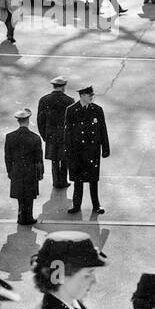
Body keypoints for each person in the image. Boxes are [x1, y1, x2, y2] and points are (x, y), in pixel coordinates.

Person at [63, 84, 110, 215]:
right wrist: (67, 150)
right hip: (77, 151)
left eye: (92, 95)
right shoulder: (71, 110)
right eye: (90, 95)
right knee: (78, 180)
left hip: (92, 150)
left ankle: (96, 205)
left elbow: (103, 130)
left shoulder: (97, 110)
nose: (92, 97)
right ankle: (76, 205)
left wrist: (105, 148)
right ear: (82, 96)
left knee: (93, 180)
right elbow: (67, 132)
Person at [3, 108, 44, 227]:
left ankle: (21, 216)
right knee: (29, 196)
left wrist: (9, 171)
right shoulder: (35, 138)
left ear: (18, 121)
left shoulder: (10, 137)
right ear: (28, 120)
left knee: (20, 195)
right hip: (30, 170)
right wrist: (40, 173)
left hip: (17, 170)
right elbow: (38, 158)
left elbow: (7, 156)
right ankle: (29, 216)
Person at [36, 76, 74, 190]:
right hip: (64, 134)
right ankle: (63, 180)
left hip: (51, 134)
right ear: (63, 87)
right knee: (64, 158)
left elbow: (40, 120)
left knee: (54, 159)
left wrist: (44, 135)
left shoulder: (44, 100)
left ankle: (56, 181)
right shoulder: (69, 100)